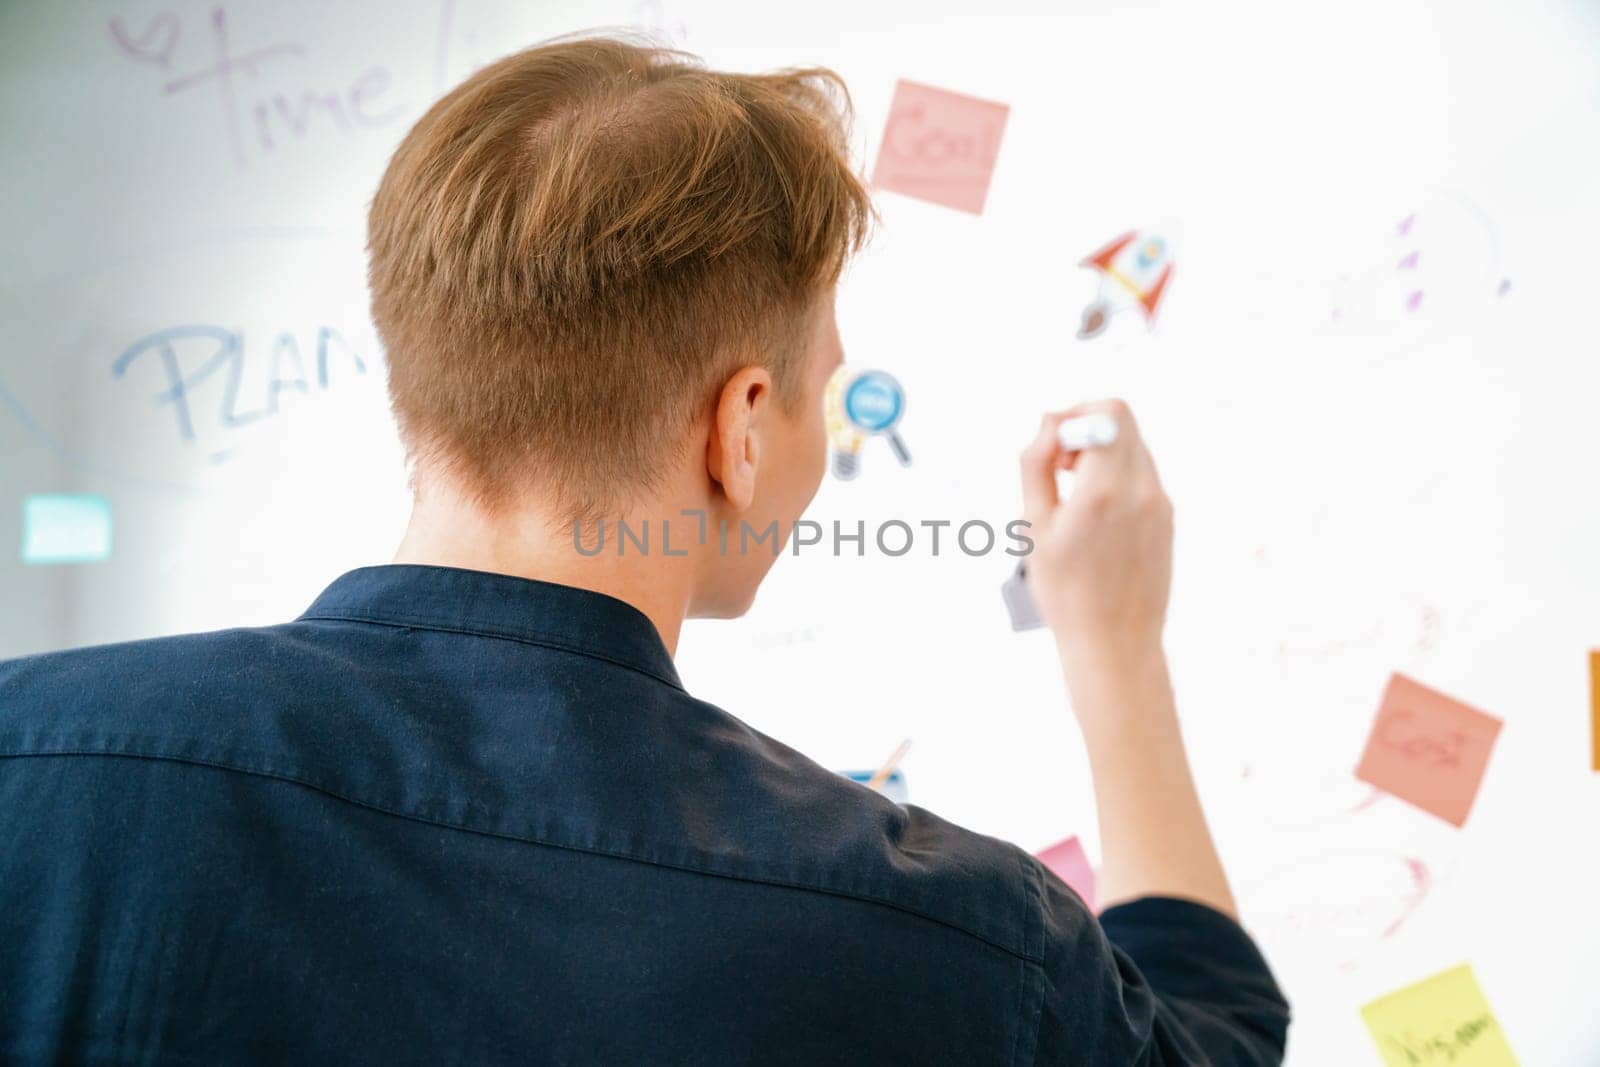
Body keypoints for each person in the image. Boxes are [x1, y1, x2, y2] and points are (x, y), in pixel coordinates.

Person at [0, 35, 1288, 1065]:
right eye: (821, 393)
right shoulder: (955, 938)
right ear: (739, 427)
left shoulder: (32, 764)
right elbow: (1211, 1045)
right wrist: (1115, 648)